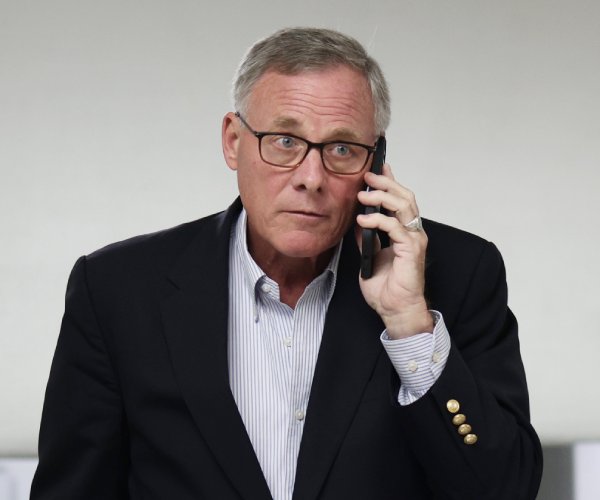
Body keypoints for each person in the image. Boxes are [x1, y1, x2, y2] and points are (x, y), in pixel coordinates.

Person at [31, 27, 542, 500]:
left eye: (341, 148)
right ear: (233, 141)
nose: (311, 178)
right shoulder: (117, 289)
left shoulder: (460, 273)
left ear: (374, 163)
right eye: (285, 141)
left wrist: (410, 324)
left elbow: (507, 489)